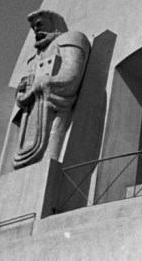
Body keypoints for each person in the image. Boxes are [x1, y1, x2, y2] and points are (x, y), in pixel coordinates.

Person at [13, 10, 90, 169]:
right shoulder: (35, 57)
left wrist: (41, 84)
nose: (36, 30)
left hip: (56, 109)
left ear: (53, 22)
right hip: (32, 117)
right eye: (33, 27)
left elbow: (71, 76)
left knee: (50, 156)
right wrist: (22, 92)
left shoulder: (71, 38)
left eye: (39, 24)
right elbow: (24, 88)